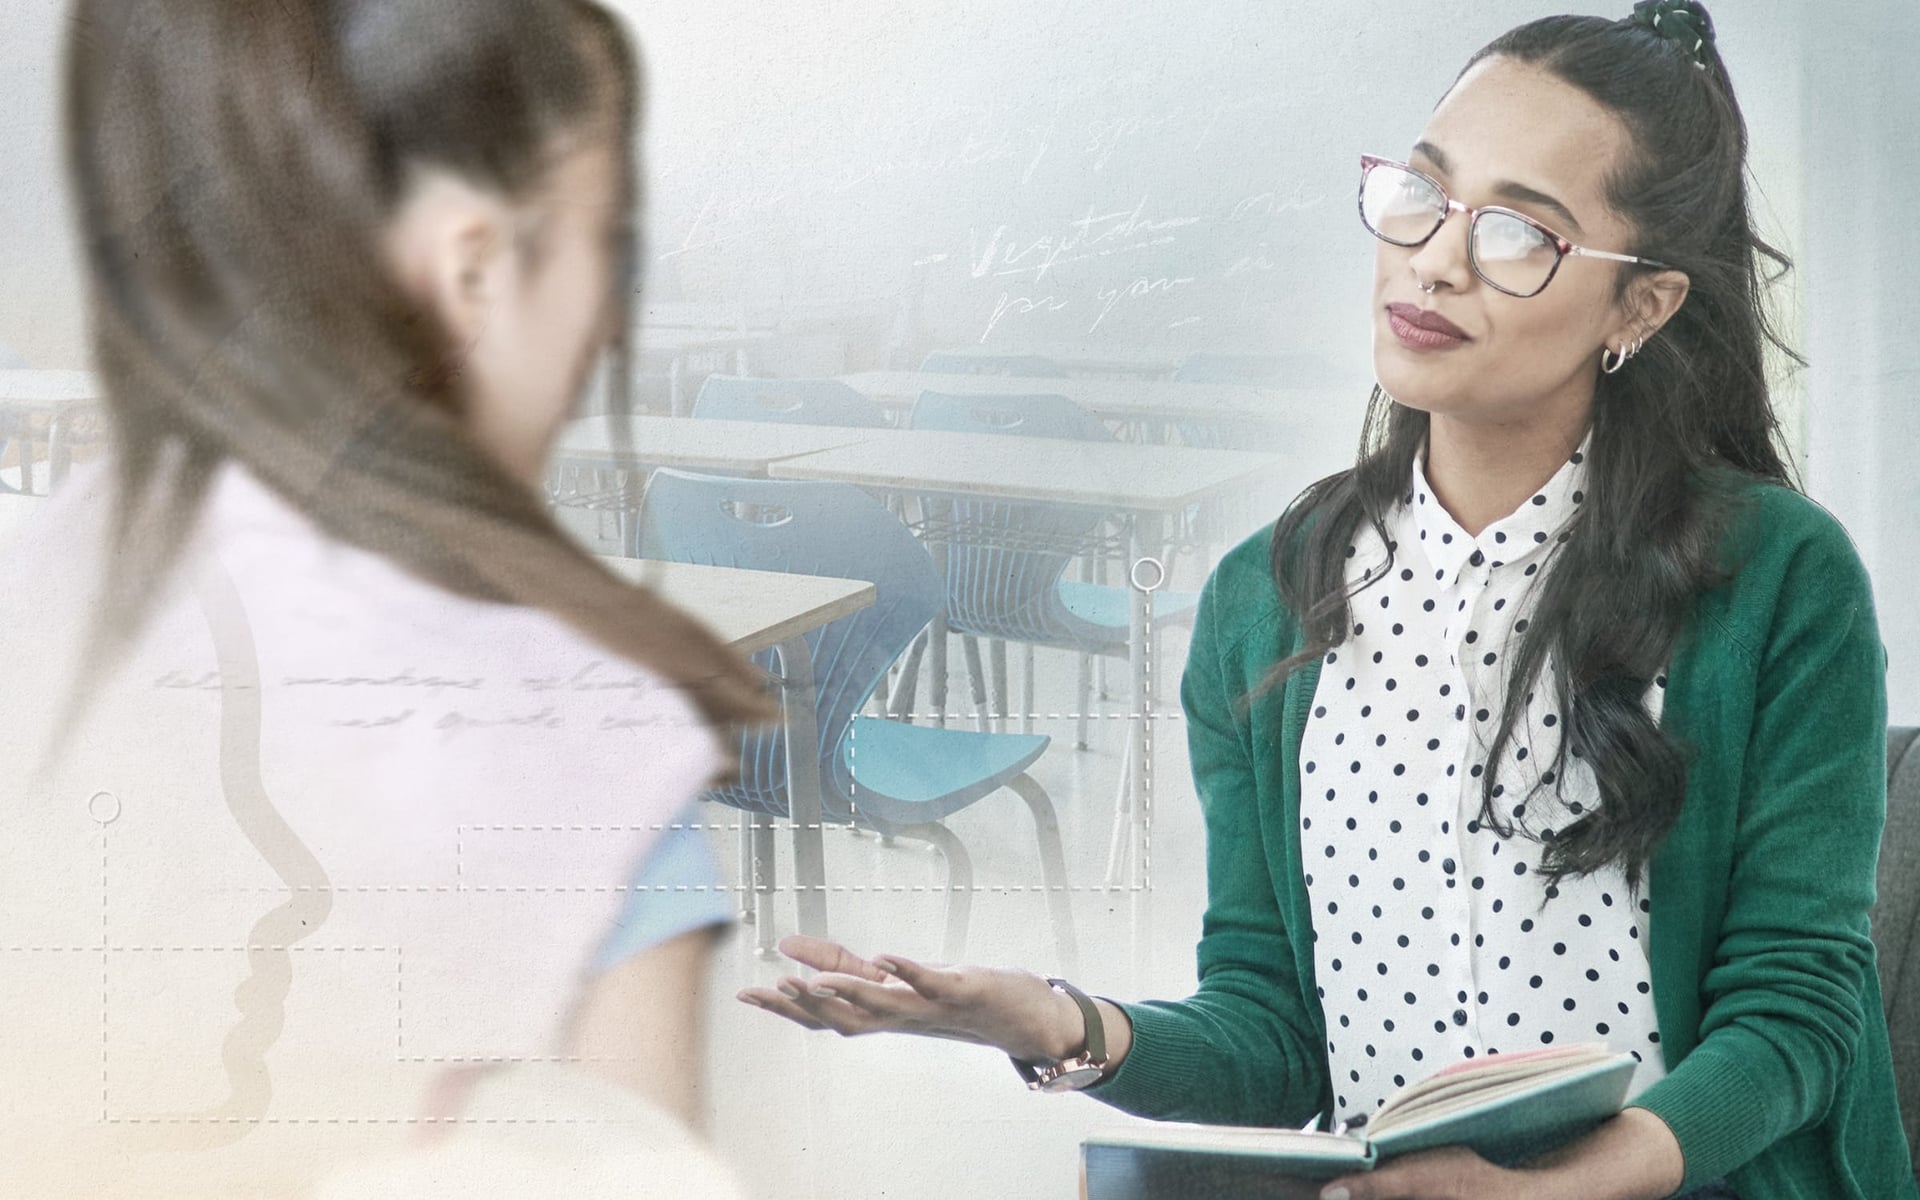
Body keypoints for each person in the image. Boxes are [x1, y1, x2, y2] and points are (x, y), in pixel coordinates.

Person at [739, 4, 1917, 1197]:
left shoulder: (1779, 575)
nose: (1437, 259)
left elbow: (1798, 1011)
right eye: (1424, 192)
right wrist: (1055, 1026)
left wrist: (1554, 1193)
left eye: (1519, 233)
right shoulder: (1266, 596)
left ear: (1640, 307)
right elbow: (1276, 1038)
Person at [0, 0, 771, 1196]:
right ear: (472, 269)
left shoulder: (38, 574)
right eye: (602, 243)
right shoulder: (582, 736)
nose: (608, 322)